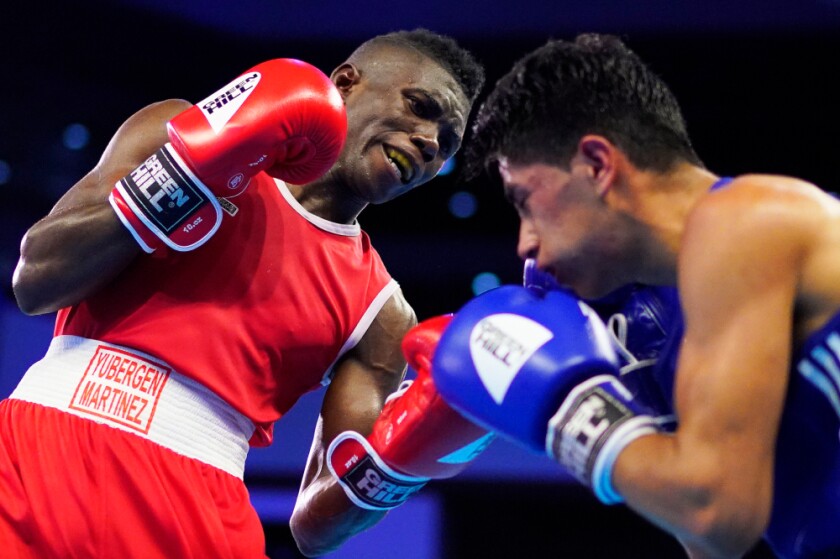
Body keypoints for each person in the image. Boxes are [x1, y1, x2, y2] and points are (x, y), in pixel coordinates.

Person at [2, 29, 486, 558]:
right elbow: (36, 280)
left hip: (193, 508)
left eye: (446, 142)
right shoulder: (176, 130)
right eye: (420, 107)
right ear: (345, 82)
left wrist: (406, 456)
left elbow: (316, 529)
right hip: (32, 453)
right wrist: (190, 173)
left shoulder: (382, 314)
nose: (430, 141)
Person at [427, 33, 840, 559]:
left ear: (598, 164)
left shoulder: (743, 220)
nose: (525, 244)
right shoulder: (682, 347)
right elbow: (712, 543)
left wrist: (574, 410)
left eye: (525, 201)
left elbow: (715, 511)